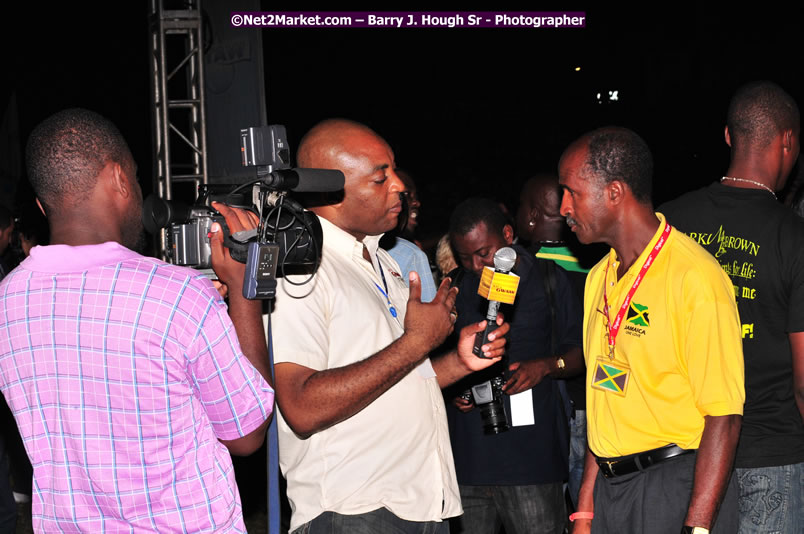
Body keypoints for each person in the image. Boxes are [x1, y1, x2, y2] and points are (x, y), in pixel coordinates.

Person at [0, 108, 274, 532]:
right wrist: (242, 292)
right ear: (118, 179)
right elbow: (247, 431)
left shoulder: (6, 300)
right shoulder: (179, 295)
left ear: (41, 203)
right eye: (137, 176)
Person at [270, 118, 510, 533]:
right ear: (330, 189)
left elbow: (398, 378)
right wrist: (418, 341)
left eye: (394, 171)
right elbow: (302, 407)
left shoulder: (382, 261)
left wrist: (457, 361)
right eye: (381, 178)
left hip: (418, 504)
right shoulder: (302, 269)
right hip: (354, 509)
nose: (399, 185)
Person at [558, 127, 745, 533]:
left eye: (571, 191)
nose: (562, 207)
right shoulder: (598, 279)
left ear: (614, 192)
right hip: (611, 491)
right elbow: (604, 396)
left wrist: (697, 527)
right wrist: (586, 508)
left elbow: (724, 416)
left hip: (676, 486)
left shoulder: (694, 277)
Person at [660, 80, 804, 533]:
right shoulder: (794, 238)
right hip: (770, 455)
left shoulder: (669, 224)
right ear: (788, 141)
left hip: (684, 457)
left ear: (728, 136)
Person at [446, 198, 584, 534]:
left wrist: (547, 366)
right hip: (468, 462)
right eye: (465, 258)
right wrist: (453, 388)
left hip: (531, 463)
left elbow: (584, 351)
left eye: (484, 253)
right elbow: (435, 360)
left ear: (508, 235)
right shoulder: (452, 287)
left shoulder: (551, 280)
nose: (476, 265)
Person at [515, 174, 593, 509]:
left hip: (548, 411)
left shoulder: (519, 271)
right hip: (594, 405)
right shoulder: (598, 264)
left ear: (531, 216)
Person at [384, 169, 437, 302]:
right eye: (407, 194)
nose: (416, 203)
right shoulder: (411, 254)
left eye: (415, 196)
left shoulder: (412, 253)